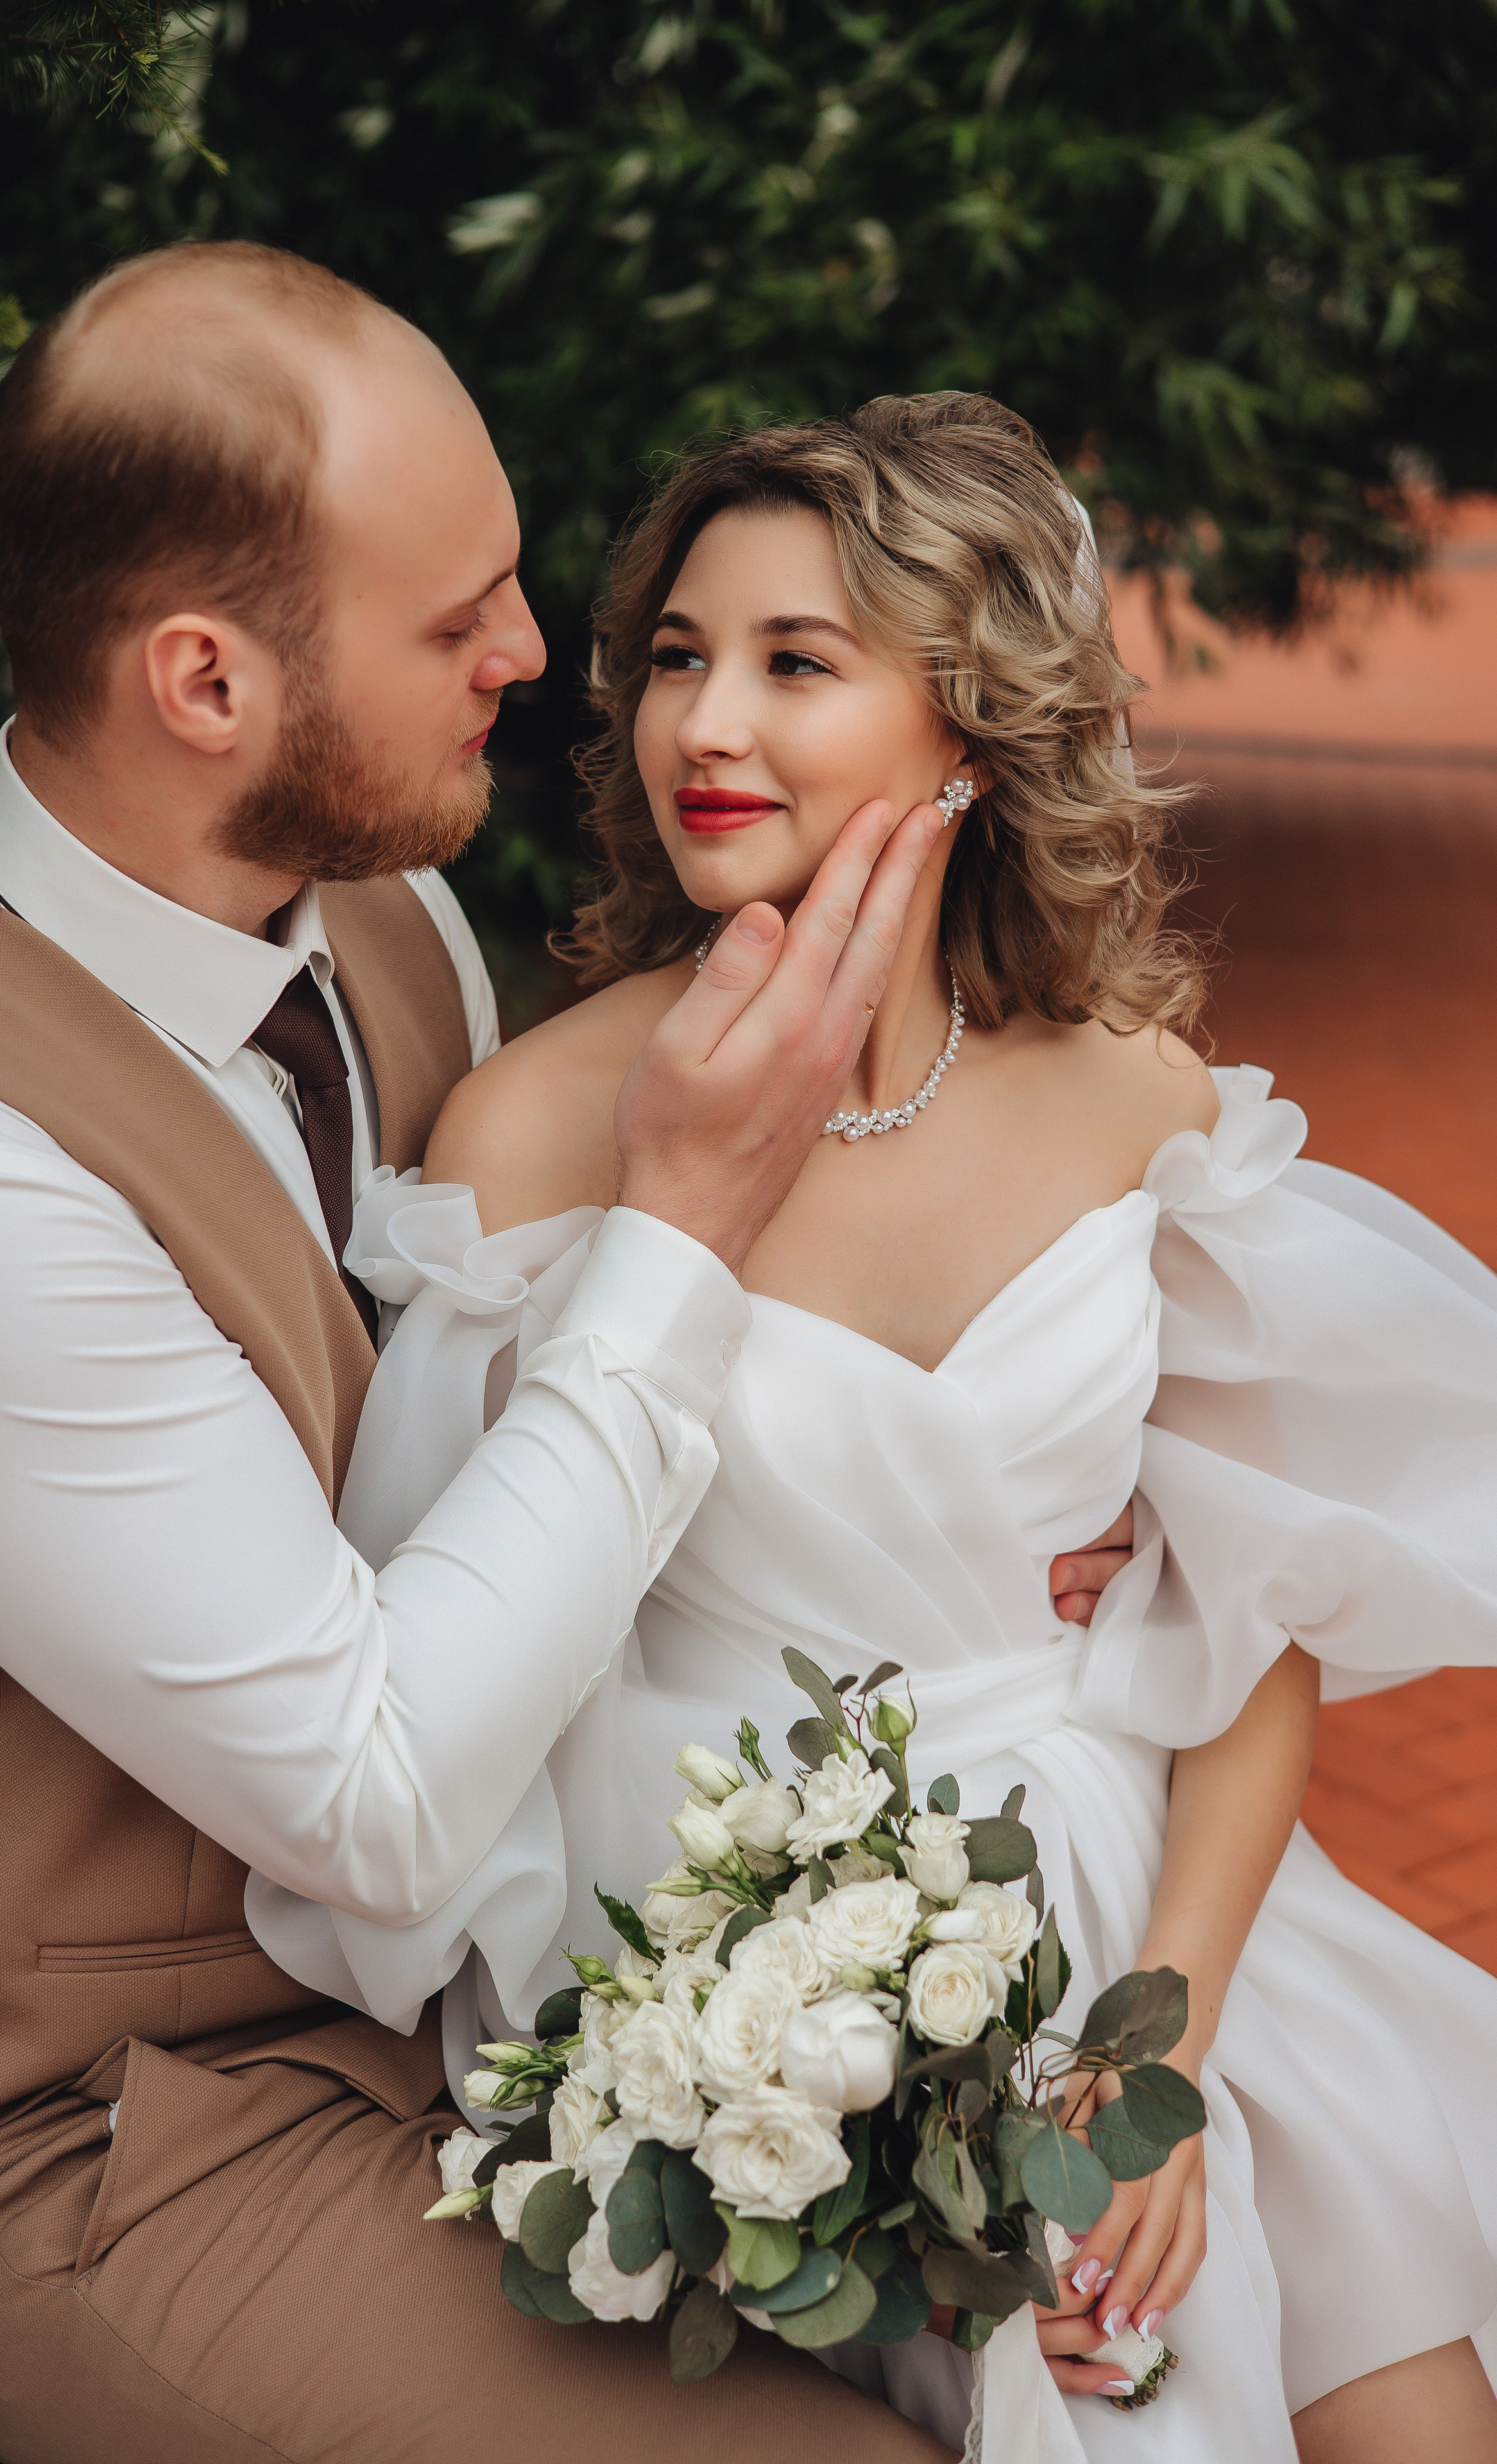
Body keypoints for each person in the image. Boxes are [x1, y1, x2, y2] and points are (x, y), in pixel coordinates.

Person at [0, 243, 1129, 2463]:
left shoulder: (381, 923)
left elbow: (493, 1444)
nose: (540, 659)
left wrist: (955, 1509)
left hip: (506, 2002)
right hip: (120, 2131)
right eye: (457, 622)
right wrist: (685, 1227)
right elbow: (375, 1792)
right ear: (204, 681)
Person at [300, 395, 1497, 2463]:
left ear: (974, 730)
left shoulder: (1136, 1096)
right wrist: (775, 2129)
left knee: (1411, 2410)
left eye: (797, 662)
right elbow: (466, 1694)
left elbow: (1256, 1627)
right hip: (788, 2029)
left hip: (1168, 1932)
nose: (705, 725)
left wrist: (1156, 2064)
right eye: (679, 657)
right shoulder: (536, 1139)